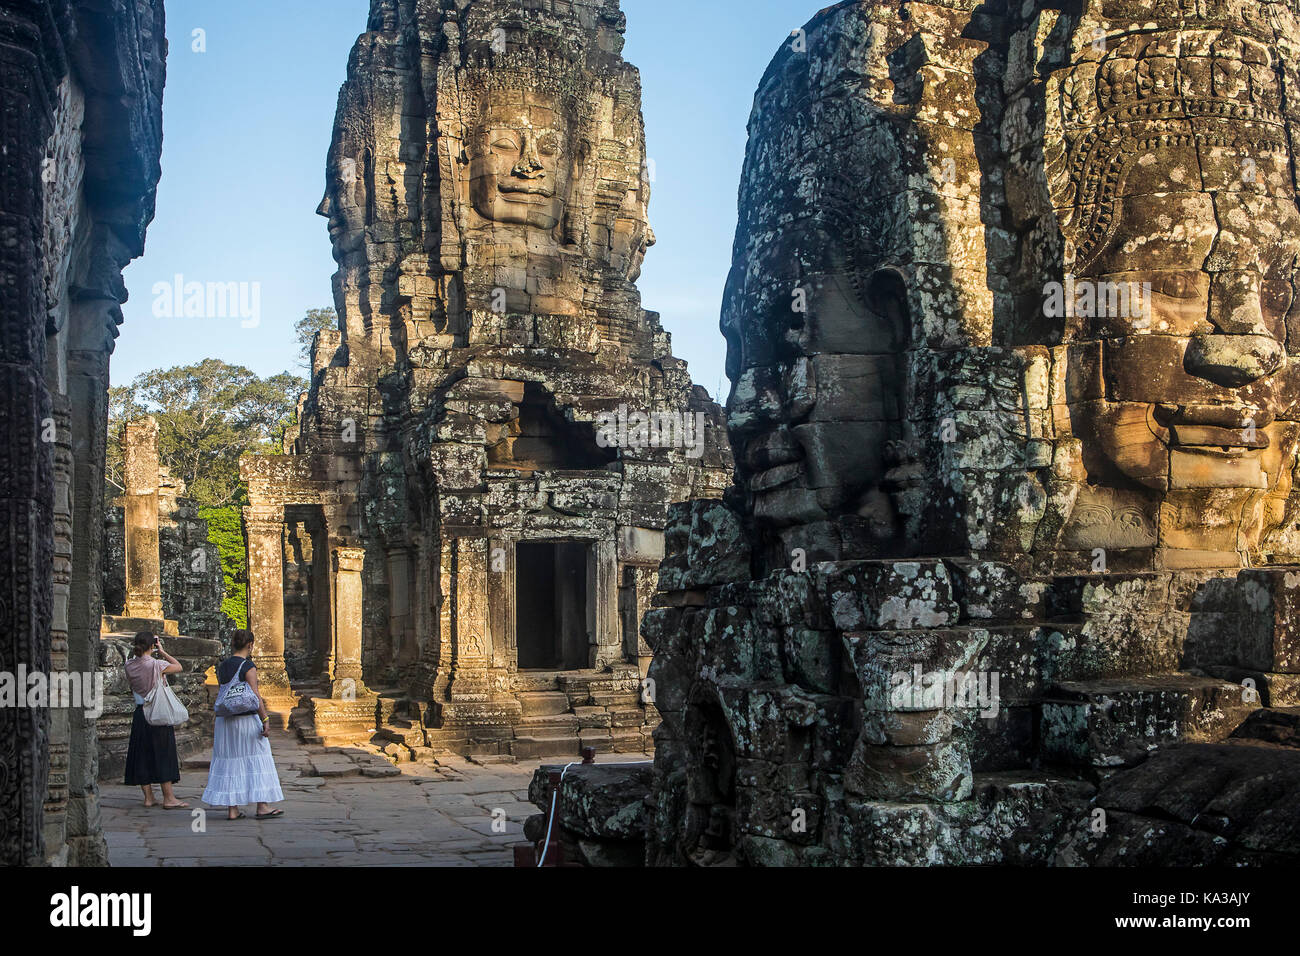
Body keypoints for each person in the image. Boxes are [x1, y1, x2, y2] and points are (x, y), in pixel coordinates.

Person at [202, 629, 285, 820]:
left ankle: (233, 809)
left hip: (225, 722)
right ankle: (262, 806)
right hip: (245, 720)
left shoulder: (222, 666)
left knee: (231, 762)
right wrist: (265, 719)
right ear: (250, 645)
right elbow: (255, 696)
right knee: (257, 758)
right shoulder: (248, 666)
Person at [123, 632, 190, 809]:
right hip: (157, 712)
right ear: (152, 646)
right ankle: (169, 798)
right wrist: (162, 651)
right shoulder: (157, 665)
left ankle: (148, 797)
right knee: (163, 753)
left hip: (140, 713)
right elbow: (178, 666)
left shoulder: (129, 665)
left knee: (141, 754)